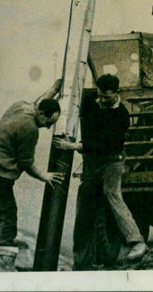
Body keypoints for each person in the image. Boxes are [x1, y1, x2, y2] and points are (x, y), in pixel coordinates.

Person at [57, 73, 147, 269]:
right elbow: (72, 98)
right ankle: (81, 261)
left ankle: (136, 241)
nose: (102, 100)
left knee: (112, 193)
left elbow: (107, 144)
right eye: (100, 96)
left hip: (111, 161)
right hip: (91, 162)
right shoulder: (92, 101)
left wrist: (75, 147)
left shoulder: (122, 116)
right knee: (84, 209)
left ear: (116, 93)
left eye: (107, 97)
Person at [0, 79, 65, 272]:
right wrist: (45, 176)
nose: (48, 127)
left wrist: (52, 91)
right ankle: (5, 265)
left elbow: (38, 101)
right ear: (41, 114)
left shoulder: (20, 107)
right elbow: (26, 163)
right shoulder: (30, 128)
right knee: (8, 216)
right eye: (49, 122)